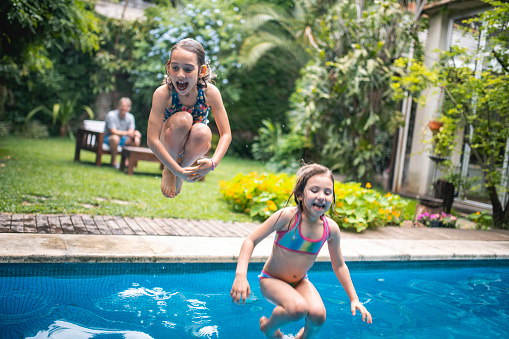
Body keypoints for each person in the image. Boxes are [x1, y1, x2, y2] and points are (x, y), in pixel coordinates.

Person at [230, 164, 372, 338]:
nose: (321, 196)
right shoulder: (287, 217)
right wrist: (240, 276)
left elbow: (340, 266)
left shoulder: (330, 229)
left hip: (300, 282)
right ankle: (268, 327)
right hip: (271, 280)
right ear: (300, 194)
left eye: (328, 192)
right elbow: (250, 240)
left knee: (319, 316)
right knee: (297, 308)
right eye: (314, 190)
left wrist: (354, 298)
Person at [147, 38, 232, 198]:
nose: (180, 75)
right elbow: (152, 140)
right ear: (168, 67)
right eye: (175, 67)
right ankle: (170, 169)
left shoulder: (209, 93)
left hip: (194, 144)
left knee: (202, 130)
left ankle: (182, 170)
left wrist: (213, 162)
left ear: (201, 70)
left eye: (188, 69)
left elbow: (226, 134)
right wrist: (174, 168)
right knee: (183, 119)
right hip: (169, 139)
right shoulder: (163, 94)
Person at [104, 97, 142, 168]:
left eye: (126, 107)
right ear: (118, 106)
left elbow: (131, 131)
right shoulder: (111, 115)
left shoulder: (130, 117)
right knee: (115, 138)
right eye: (122, 106)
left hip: (123, 140)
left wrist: (135, 133)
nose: (124, 108)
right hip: (108, 138)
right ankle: (114, 161)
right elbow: (113, 131)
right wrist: (127, 133)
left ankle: (128, 162)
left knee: (136, 140)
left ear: (129, 108)